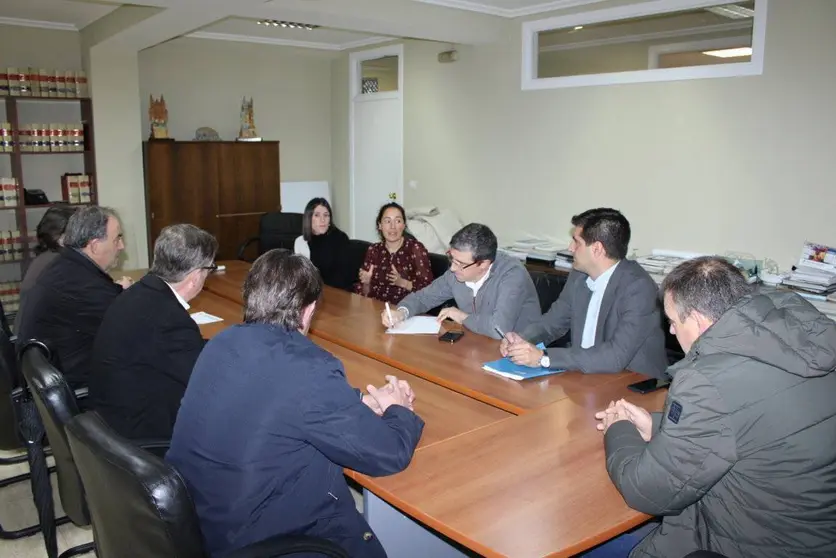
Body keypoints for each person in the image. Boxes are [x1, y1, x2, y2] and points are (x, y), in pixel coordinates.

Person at [166, 249, 424, 558]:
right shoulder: (309, 366)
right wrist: (399, 409)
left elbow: (276, 395)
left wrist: (357, 400)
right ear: (308, 310)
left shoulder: (221, 342)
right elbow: (387, 454)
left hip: (203, 520)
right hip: (260, 538)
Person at [595, 256, 836, 558]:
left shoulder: (706, 381)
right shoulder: (803, 343)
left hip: (757, 544)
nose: (671, 332)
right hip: (815, 535)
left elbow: (647, 491)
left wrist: (619, 429)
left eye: (672, 321)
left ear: (696, 320)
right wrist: (656, 424)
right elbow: (750, 426)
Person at [500, 208, 667, 377]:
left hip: (631, 386)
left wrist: (544, 358)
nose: (570, 248)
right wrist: (521, 339)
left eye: (576, 242)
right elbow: (552, 323)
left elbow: (615, 356)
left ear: (597, 249)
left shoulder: (639, 289)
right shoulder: (579, 276)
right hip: (585, 376)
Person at [88, 224, 217, 441]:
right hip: (140, 435)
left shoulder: (139, 293)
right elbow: (207, 381)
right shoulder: (169, 319)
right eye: (209, 269)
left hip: (110, 419)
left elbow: (181, 351)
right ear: (195, 276)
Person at [16, 206, 132, 389]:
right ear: (94, 246)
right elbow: (132, 325)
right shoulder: (84, 285)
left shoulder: (66, 266)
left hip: (53, 376)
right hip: (79, 389)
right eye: (117, 238)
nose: (121, 246)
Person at [382, 223, 540, 339]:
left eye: (460, 263)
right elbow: (423, 297)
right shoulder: (457, 272)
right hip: (477, 344)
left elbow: (498, 329)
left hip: (521, 355)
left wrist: (462, 316)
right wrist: (401, 313)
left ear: (483, 264)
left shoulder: (512, 275)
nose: (452, 268)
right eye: (451, 258)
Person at [353, 202, 433, 304]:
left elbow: (429, 290)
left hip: (407, 310)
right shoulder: (374, 250)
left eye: (398, 221)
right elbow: (364, 294)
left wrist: (402, 283)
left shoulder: (415, 249)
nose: (392, 226)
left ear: (404, 225)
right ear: (380, 225)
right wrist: (367, 283)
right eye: (387, 221)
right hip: (377, 309)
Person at [14, 205, 78, 332]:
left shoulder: (44, 259)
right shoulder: (59, 264)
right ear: (61, 237)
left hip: (31, 342)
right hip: (41, 346)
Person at [294, 198, 355, 290]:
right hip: (311, 293)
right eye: (317, 215)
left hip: (337, 293)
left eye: (326, 215)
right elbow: (301, 277)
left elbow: (344, 279)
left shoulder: (340, 238)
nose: (322, 220)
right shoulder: (300, 242)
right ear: (309, 218)